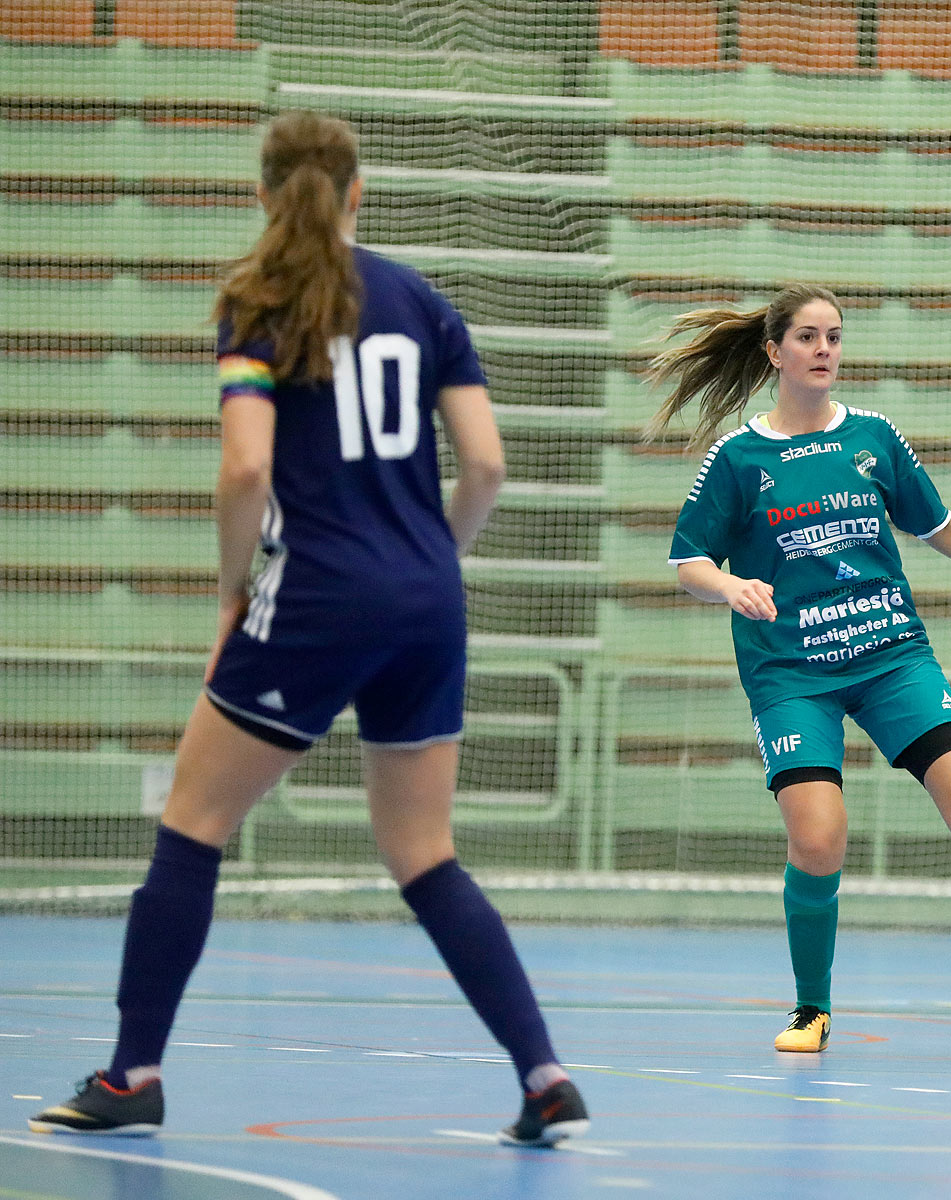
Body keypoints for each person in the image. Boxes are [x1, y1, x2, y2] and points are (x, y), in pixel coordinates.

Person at [28, 111, 588, 1147]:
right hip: (429, 599)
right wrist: (430, 562)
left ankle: (132, 1072)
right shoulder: (421, 300)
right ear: (359, 189)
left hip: (320, 597)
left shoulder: (259, 302)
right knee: (426, 855)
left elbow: (245, 469)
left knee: (194, 828)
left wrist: (234, 591)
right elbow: (489, 466)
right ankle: (543, 1072)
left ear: (263, 194)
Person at [648, 284, 951, 1052]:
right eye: (808, 337)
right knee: (819, 840)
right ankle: (812, 1008)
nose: (824, 351)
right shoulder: (740, 457)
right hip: (793, 671)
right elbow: (686, 559)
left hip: (889, 655)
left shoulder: (873, 437)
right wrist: (729, 584)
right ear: (775, 351)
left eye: (835, 338)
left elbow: (941, 526)